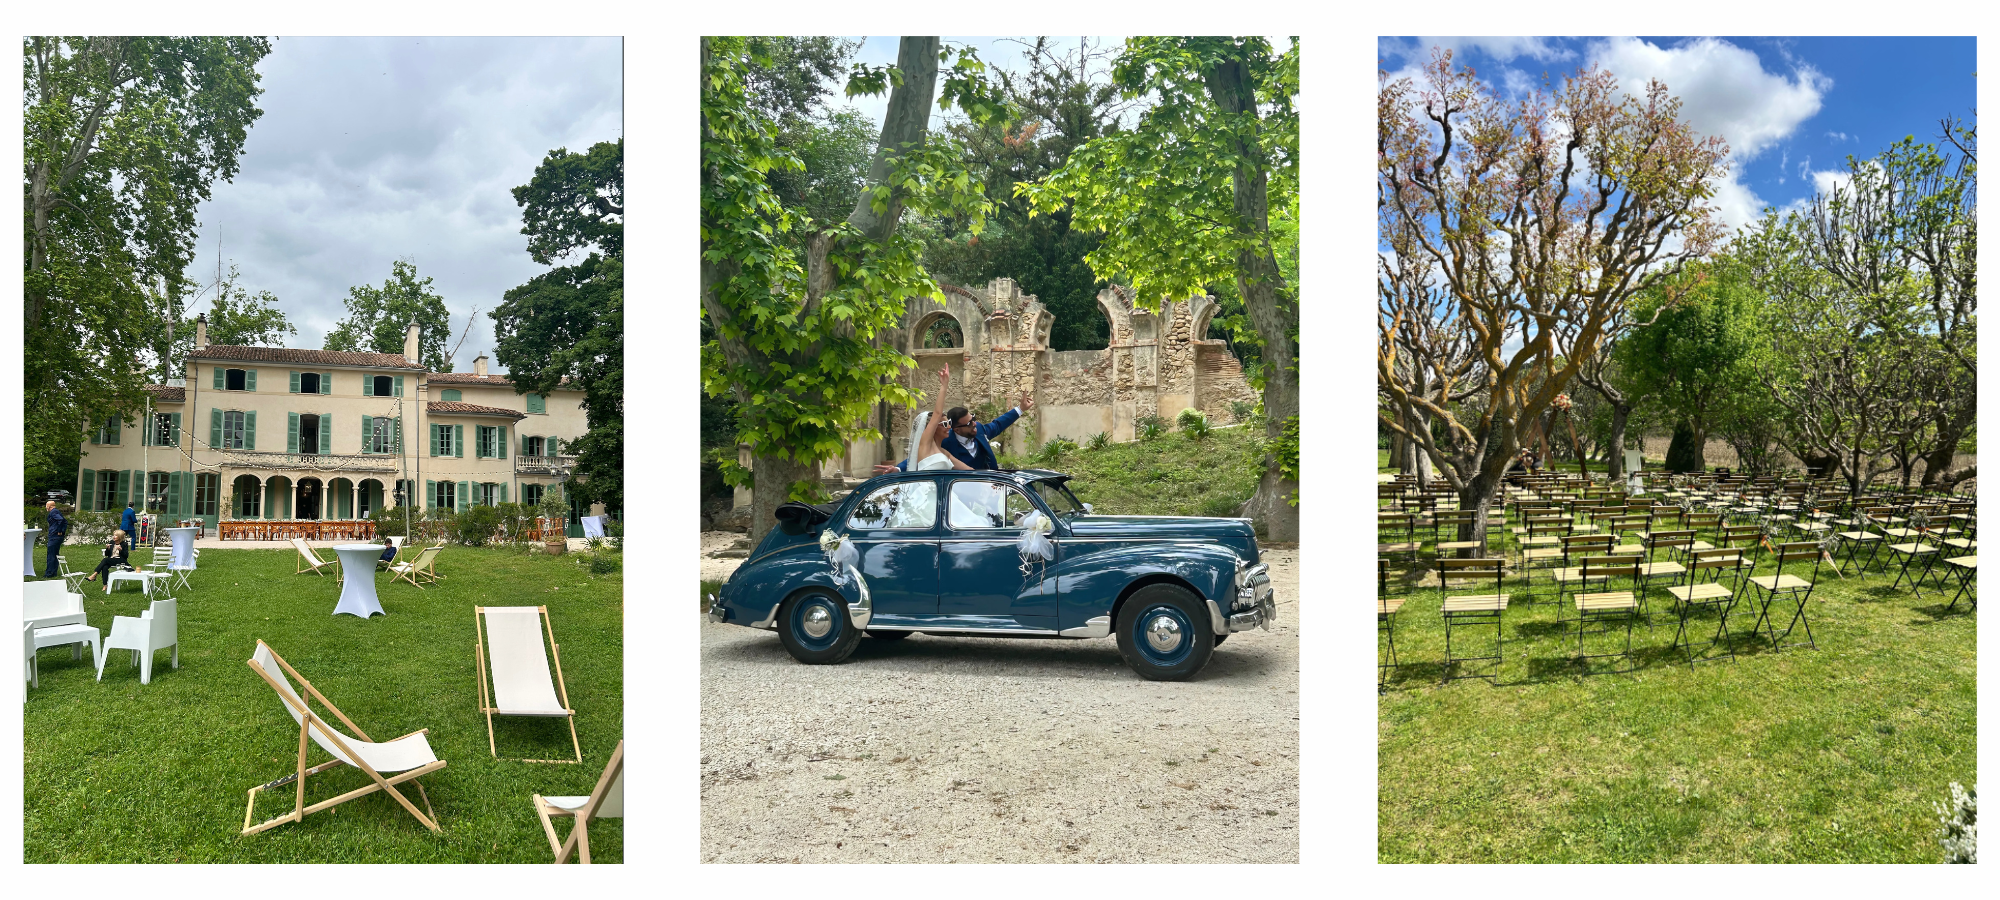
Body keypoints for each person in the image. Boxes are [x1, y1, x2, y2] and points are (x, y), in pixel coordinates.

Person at [874, 361, 1032, 474]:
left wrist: (1021, 409)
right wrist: (898, 468)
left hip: (980, 489)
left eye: (973, 418)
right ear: (957, 429)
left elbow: (998, 425)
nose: (974, 424)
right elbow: (916, 457)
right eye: (969, 423)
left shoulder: (978, 432)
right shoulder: (946, 442)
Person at [42, 500, 67, 578]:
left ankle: (49, 573)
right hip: (57, 537)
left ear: (49, 506)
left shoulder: (53, 512)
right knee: (55, 554)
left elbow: (61, 520)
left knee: (51, 554)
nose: (46, 507)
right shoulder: (57, 511)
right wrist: (62, 531)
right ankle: (54, 572)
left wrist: (59, 531)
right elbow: (65, 522)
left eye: (46, 505)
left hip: (54, 536)